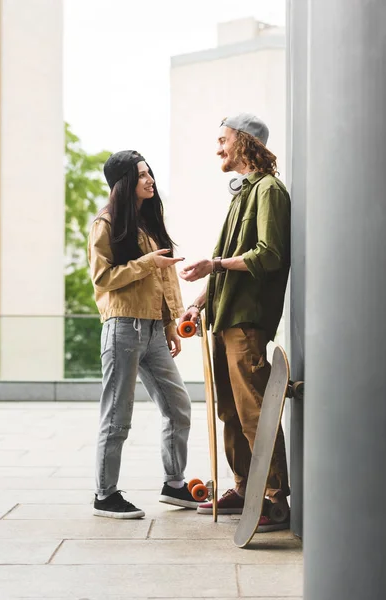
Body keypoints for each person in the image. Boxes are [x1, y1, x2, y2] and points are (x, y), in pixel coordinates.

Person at [179, 114, 291, 532]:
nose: (218, 148)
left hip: (247, 322)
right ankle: (245, 488)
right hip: (224, 319)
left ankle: (274, 498)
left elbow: (270, 254)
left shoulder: (269, 191)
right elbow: (224, 269)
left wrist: (215, 263)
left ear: (244, 142)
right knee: (229, 411)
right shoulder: (240, 196)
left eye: (223, 140)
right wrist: (197, 303)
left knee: (253, 411)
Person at [87, 149, 202, 519]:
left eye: (149, 172)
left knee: (178, 405)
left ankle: (174, 484)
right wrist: (144, 263)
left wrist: (170, 323)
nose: (149, 179)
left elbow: (164, 276)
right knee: (118, 415)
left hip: (153, 329)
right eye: (141, 175)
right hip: (122, 327)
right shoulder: (106, 224)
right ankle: (105, 495)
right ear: (123, 183)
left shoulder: (149, 222)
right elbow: (103, 279)